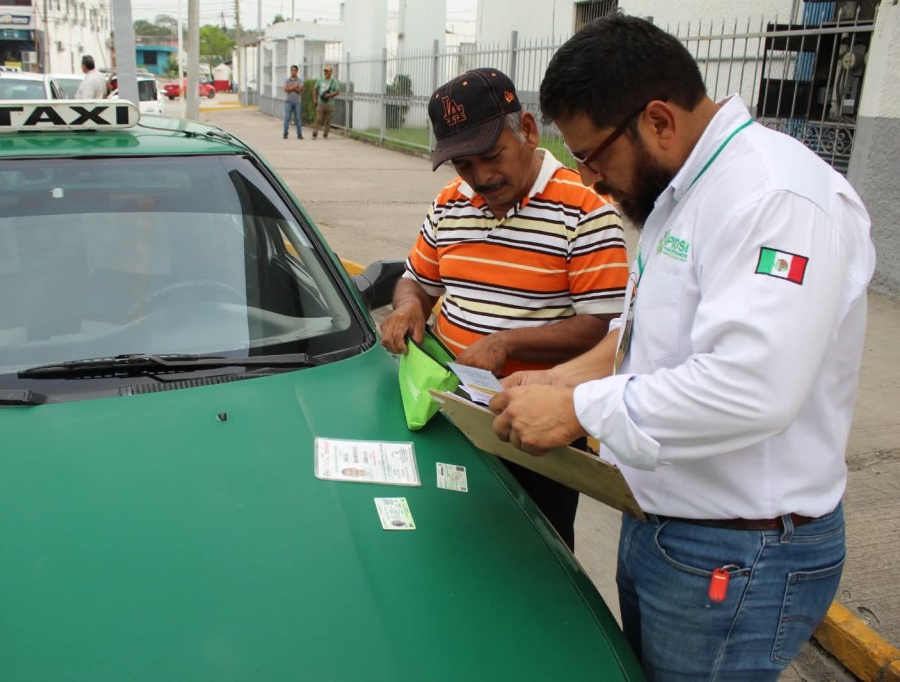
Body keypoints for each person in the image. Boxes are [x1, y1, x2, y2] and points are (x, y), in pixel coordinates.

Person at [489, 14, 876, 681]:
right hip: (673, 525)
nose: (591, 180)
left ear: (659, 121)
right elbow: (648, 332)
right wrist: (562, 380)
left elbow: (751, 387)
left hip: (740, 550)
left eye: (594, 156)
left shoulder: (773, 198)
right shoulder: (686, 190)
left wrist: (581, 410)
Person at [380, 67, 629, 551]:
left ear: (529, 131)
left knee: (538, 552)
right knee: (454, 539)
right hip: (452, 404)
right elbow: (417, 280)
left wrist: (508, 342)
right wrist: (409, 307)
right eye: (463, 167)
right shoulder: (450, 204)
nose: (481, 178)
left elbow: (603, 328)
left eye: (491, 157)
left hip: (538, 423)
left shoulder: (586, 211)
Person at [311, 66, 339, 139]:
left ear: (331, 72)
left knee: (328, 120)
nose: (326, 73)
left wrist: (329, 95)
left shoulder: (334, 81)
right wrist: (314, 99)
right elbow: (315, 88)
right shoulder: (320, 80)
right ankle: (315, 134)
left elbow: (337, 92)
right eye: (325, 71)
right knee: (318, 119)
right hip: (320, 103)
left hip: (330, 104)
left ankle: (325, 134)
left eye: (327, 71)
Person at [283, 65, 303, 140]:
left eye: (295, 70)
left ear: (297, 71)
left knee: (298, 118)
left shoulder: (300, 80)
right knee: (287, 118)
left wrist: (290, 87)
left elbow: (299, 90)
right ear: (290, 71)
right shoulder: (287, 80)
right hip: (288, 102)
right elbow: (285, 89)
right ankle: (285, 133)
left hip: (297, 102)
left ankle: (299, 134)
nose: (293, 72)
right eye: (292, 70)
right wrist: (295, 87)